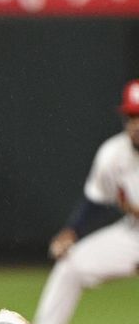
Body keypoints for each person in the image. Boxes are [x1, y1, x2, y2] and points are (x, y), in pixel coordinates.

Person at [33, 79, 139, 324]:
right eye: (131, 117)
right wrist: (72, 230)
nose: (136, 124)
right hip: (134, 237)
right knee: (70, 265)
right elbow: (96, 201)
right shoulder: (113, 154)